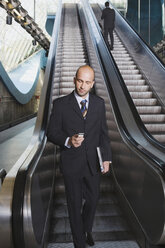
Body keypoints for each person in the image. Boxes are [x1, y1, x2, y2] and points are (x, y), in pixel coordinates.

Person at [47, 65, 112, 248]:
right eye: (80, 81)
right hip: (71, 164)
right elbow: (51, 132)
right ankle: (79, 243)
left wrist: (106, 158)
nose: (83, 86)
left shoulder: (99, 104)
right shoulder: (60, 104)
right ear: (75, 80)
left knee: (93, 199)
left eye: (87, 82)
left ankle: (85, 229)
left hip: (93, 163)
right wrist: (68, 140)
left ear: (92, 84)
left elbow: (103, 134)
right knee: (74, 206)